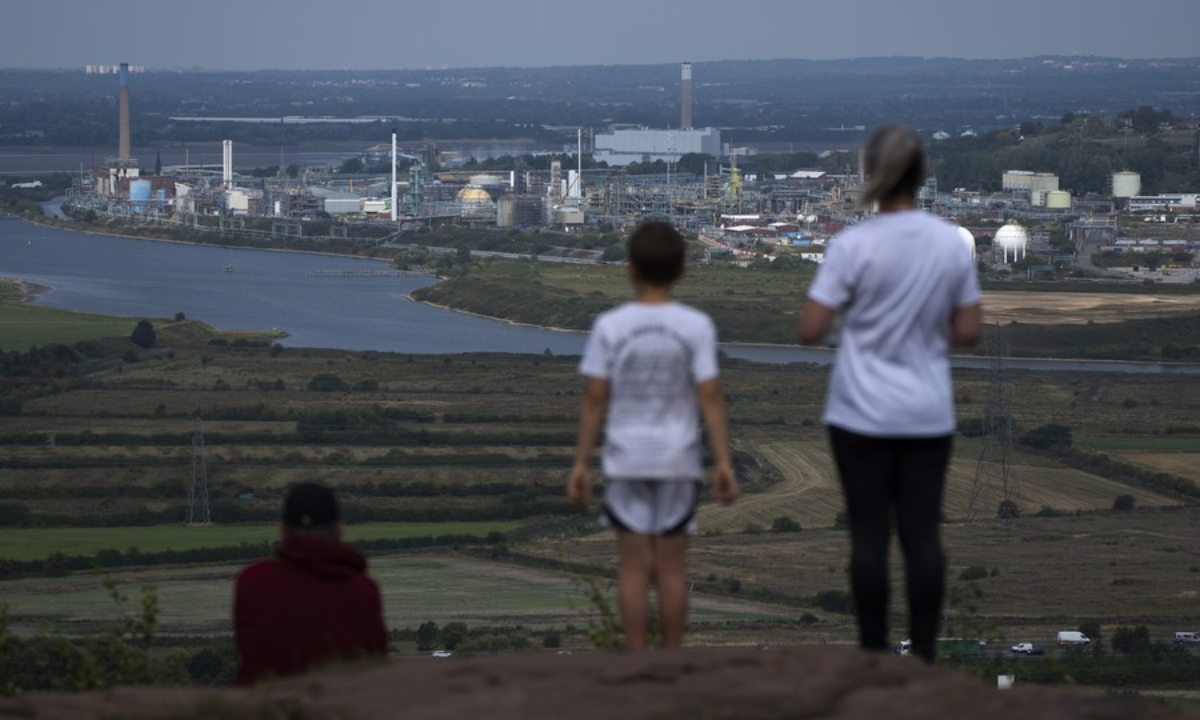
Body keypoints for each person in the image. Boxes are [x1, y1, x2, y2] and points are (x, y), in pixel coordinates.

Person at [799, 125, 982, 664]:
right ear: (923, 176)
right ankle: (923, 652)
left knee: (869, 535)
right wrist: (923, 332)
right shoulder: (949, 242)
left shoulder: (851, 245)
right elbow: (969, 331)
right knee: (923, 537)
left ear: (869, 176)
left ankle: (874, 650)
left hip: (858, 412)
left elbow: (810, 328)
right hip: (926, 413)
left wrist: (860, 327)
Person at [568, 219, 738, 651]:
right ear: (682, 269)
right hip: (676, 459)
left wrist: (581, 463)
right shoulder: (696, 326)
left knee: (632, 567)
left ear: (630, 270)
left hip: (626, 459)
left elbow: (594, 398)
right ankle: (671, 663)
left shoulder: (610, 326)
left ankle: (637, 662)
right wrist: (722, 460)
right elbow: (711, 395)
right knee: (672, 568)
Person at [234, 482, 388, 685]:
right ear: (340, 529)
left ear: (282, 530)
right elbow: (376, 661)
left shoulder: (251, 582)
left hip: (262, 706)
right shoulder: (364, 590)